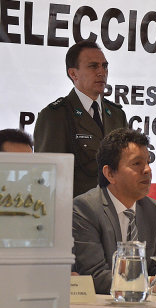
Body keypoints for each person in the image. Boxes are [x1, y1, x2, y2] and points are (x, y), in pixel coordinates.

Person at [72, 128, 156, 294]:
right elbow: (93, 276)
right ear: (110, 173)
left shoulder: (152, 210)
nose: (147, 170)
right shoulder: (85, 208)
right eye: (137, 163)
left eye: (148, 162)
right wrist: (146, 282)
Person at [34, 41, 128, 197]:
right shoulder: (55, 116)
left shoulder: (117, 115)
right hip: (75, 215)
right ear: (73, 74)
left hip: (113, 213)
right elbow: (46, 177)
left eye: (104, 66)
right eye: (93, 66)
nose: (101, 72)